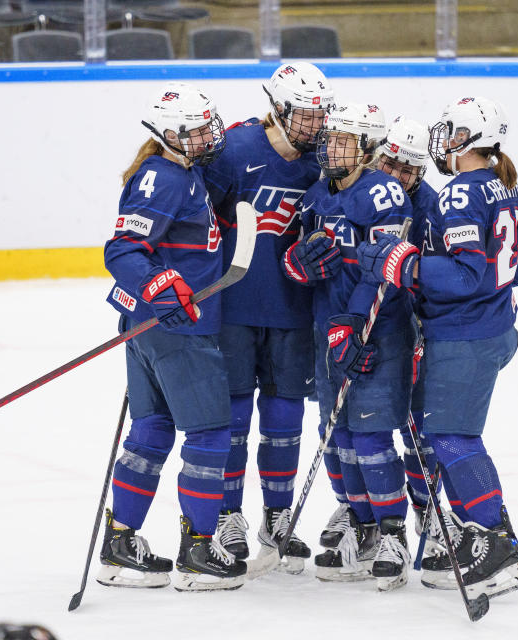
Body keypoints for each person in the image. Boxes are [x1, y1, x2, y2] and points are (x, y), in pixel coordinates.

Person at [356, 96, 518, 598]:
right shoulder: (503, 188)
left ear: (471, 140)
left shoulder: (459, 194)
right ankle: (490, 537)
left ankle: (497, 542)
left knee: (452, 439)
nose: (444, 141)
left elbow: (463, 274)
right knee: (446, 437)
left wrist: (403, 264)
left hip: (464, 336)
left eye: (453, 132)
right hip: (493, 329)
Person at [98, 82, 247, 592]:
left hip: (151, 328)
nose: (210, 135)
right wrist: (160, 283)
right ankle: (199, 552)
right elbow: (122, 250)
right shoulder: (163, 179)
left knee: (153, 430)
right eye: (199, 129)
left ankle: (120, 544)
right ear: (170, 134)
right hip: (180, 330)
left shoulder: (184, 172)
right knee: (209, 435)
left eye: (210, 124)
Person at [201, 62, 337, 575]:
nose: (316, 125)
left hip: (293, 312)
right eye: (306, 115)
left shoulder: (321, 163)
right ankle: (227, 516)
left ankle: (277, 518)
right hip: (232, 310)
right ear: (277, 109)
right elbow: (197, 225)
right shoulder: (232, 152)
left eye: (320, 115)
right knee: (233, 420)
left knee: (285, 421)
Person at [293, 102, 416, 591]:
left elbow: (382, 271)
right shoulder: (316, 195)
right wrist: (296, 266)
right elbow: (301, 258)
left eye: (342, 140)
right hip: (330, 332)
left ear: (367, 147)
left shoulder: (385, 195)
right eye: (329, 138)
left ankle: (392, 534)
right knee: (336, 435)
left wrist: (352, 323)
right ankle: (363, 526)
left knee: (369, 439)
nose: (329, 146)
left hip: (377, 333)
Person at [371, 115, 454, 558]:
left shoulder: (434, 207)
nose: (399, 176)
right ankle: (368, 517)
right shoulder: (361, 189)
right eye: (392, 163)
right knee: (367, 427)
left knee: (420, 426)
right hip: (368, 324)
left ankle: (427, 507)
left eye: (410, 170)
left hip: (414, 324)